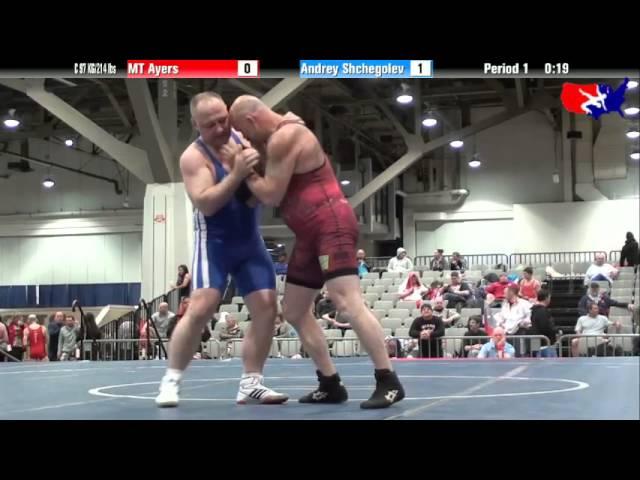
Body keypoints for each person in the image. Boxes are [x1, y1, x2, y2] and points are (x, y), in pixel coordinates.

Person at [229, 95, 404, 409]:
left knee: (347, 302)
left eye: (246, 132)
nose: (249, 140)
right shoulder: (282, 133)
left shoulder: (286, 136)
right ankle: (330, 382)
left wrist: (245, 171)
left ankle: (388, 380)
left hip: (330, 225)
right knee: (295, 310)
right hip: (309, 234)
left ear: (252, 121)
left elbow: (270, 194)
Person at [156, 91, 287, 407]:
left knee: (267, 307)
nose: (219, 129)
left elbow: (273, 149)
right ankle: (171, 379)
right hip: (213, 242)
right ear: (195, 125)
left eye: (222, 120)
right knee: (201, 307)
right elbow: (206, 203)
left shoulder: (243, 138)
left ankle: (251, 382)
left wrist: (281, 131)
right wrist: (237, 173)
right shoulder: (193, 157)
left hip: (250, 240)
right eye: (210, 124)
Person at [529, 290, 557, 357]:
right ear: (546, 298)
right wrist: (554, 333)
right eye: (549, 298)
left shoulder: (533, 310)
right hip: (545, 342)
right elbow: (544, 327)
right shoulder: (543, 311)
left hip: (535, 341)